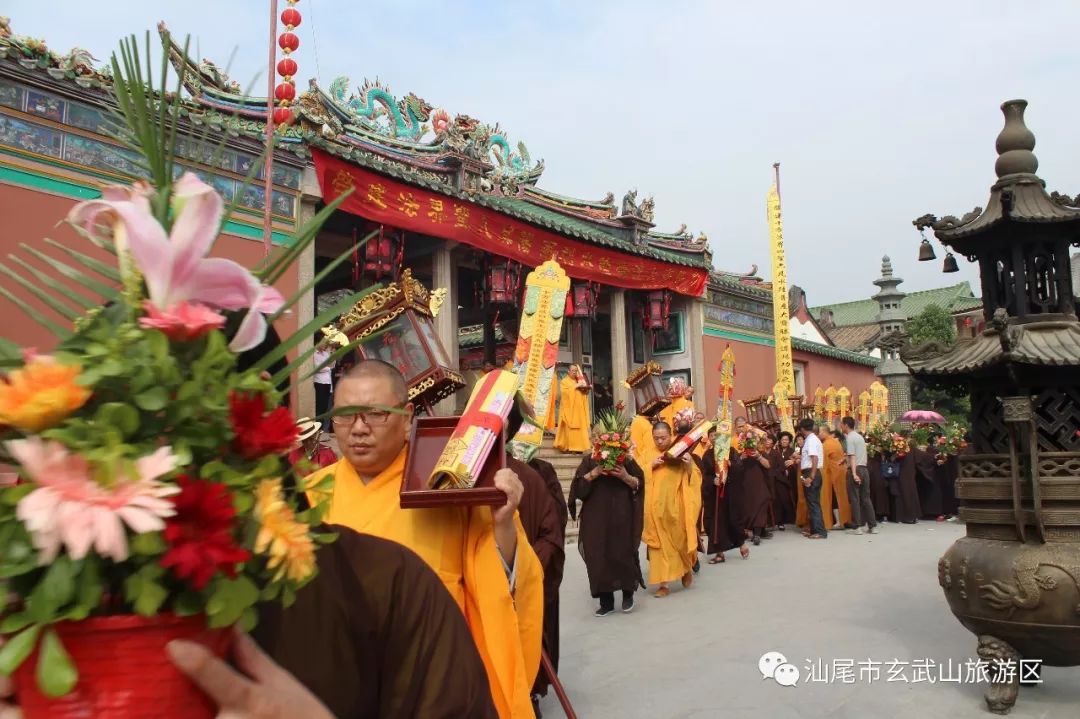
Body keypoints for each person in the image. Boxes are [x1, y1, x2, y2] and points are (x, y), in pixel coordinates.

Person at [306, 360, 543, 718]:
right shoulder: (307, 496)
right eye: (344, 415)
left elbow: (503, 583)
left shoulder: (445, 485)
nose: (358, 429)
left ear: (406, 417)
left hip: (433, 686)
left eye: (374, 414)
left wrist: (504, 522)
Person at [503, 408, 566, 713]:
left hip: (521, 588)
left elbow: (551, 533)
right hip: (475, 592)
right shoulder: (459, 478)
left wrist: (525, 572)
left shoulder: (530, 477)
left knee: (525, 646)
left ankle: (529, 694)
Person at [569, 441, 646, 616]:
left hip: (622, 517)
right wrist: (594, 474)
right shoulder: (589, 461)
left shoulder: (625, 460)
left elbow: (639, 484)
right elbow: (578, 491)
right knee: (597, 557)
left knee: (623, 554)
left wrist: (625, 476)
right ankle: (606, 601)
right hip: (596, 520)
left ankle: (628, 595)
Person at [639, 421, 702, 597]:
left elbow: (695, 478)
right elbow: (636, 473)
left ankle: (686, 568)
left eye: (663, 438)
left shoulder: (680, 450)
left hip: (676, 508)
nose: (659, 442)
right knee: (658, 548)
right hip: (654, 511)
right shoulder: (647, 453)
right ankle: (664, 584)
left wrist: (688, 463)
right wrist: (650, 466)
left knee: (680, 542)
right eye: (656, 438)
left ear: (671, 435)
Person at [701, 427, 750, 563]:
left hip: (730, 493)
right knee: (714, 523)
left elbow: (740, 468)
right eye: (712, 435)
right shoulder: (707, 455)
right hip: (714, 494)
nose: (714, 438)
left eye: (717, 435)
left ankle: (741, 544)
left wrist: (730, 464)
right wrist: (712, 480)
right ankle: (719, 553)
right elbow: (704, 475)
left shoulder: (731, 451)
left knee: (733, 519)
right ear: (709, 438)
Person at [841, 416, 877, 535]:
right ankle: (872, 526)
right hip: (864, 469)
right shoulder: (859, 437)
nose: (841, 426)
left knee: (855, 499)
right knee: (866, 498)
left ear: (846, 425)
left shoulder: (850, 438)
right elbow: (855, 454)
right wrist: (844, 459)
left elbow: (852, 456)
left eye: (842, 424)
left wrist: (854, 473)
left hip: (856, 469)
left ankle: (857, 527)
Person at [820, 427, 853, 530]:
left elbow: (824, 463)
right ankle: (842, 521)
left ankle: (837, 521)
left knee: (834, 498)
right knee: (840, 497)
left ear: (824, 432)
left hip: (832, 474)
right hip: (839, 472)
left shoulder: (827, 444)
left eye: (820, 432)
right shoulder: (835, 442)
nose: (819, 435)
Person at [799, 419, 827, 539]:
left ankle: (820, 532)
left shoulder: (811, 440)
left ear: (802, 429)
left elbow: (814, 458)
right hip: (811, 471)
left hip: (811, 472)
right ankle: (815, 529)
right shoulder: (813, 439)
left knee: (813, 503)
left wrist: (811, 476)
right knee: (812, 502)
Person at [554, 365, 591, 453]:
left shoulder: (579, 381)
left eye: (576, 371)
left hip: (579, 410)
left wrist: (585, 389)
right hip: (569, 410)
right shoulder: (564, 381)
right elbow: (564, 394)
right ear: (568, 372)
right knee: (570, 429)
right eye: (573, 371)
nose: (574, 372)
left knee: (580, 430)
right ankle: (570, 448)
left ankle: (580, 448)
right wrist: (575, 386)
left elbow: (584, 394)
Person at [772, 432, 798, 530]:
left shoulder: (792, 451)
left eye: (787, 440)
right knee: (777, 500)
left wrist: (793, 462)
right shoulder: (776, 450)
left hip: (789, 479)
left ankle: (789, 518)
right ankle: (778, 521)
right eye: (783, 439)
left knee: (787, 499)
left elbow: (798, 462)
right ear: (779, 440)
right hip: (777, 479)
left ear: (789, 441)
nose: (784, 441)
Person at [313, 339, 335, 431]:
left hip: (327, 382)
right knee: (320, 407)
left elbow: (332, 366)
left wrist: (333, 356)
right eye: (324, 342)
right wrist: (328, 367)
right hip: (319, 382)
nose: (325, 345)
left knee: (326, 407)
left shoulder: (326, 354)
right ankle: (317, 429)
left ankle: (322, 430)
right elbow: (318, 368)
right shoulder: (314, 354)